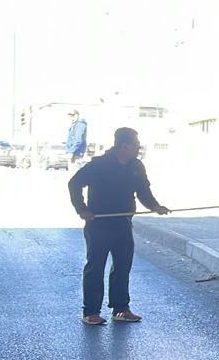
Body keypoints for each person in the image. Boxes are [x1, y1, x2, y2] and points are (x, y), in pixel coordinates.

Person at [67, 127, 171, 325]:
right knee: (96, 266)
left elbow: (143, 191)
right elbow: (74, 184)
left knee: (123, 266)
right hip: (98, 223)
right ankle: (91, 312)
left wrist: (155, 206)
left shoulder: (136, 166)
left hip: (123, 223)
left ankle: (121, 309)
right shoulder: (99, 165)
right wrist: (82, 209)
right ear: (124, 146)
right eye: (136, 145)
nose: (138, 148)